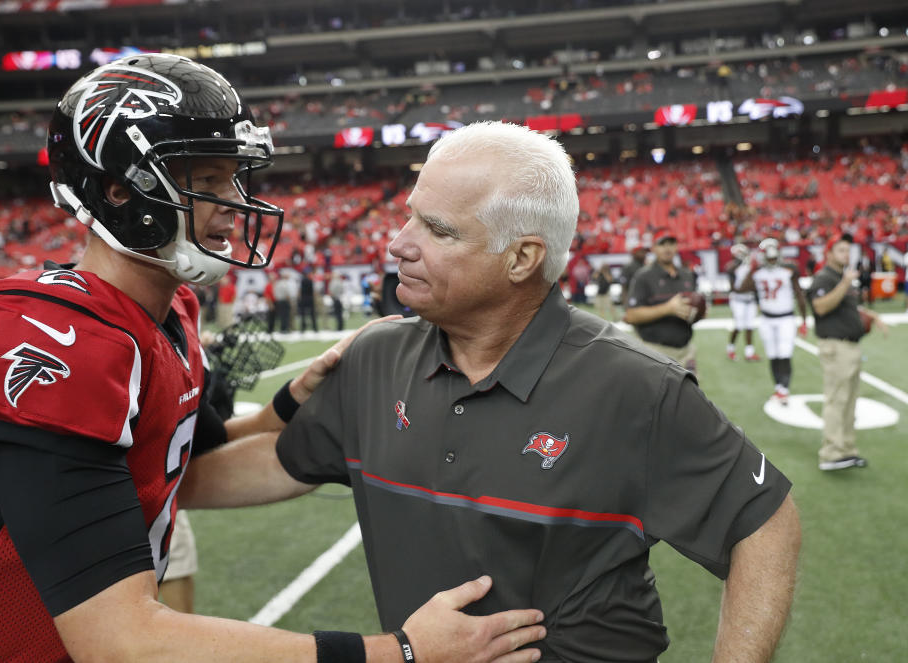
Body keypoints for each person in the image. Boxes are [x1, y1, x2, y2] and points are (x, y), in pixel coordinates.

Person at [0, 55, 545, 663]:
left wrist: (301, 403)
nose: (233, 204)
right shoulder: (50, 340)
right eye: (205, 183)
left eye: (233, 179)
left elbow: (186, 465)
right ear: (119, 191)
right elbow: (122, 640)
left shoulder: (168, 313)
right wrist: (402, 653)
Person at [185, 122, 801, 662]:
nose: (399, 242)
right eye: (408, 214)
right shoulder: (375, 357)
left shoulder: (634, 387)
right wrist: (139, 494)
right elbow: (279, 462)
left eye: (437, 229)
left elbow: (765, 522)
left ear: (521, 258)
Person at [808, 232, 888, 471]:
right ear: (829, 253)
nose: (846, 254)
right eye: (841, 250)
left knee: (850, 402)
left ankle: (846, 450)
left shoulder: (841, 277)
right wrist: (844, 284)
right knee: (837, 400)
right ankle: (831, 453)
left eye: (847, 250)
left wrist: (871, 315)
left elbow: (849, 308)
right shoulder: (824, 278)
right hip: (836, 347)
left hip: (850, 346)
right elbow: (820, 307)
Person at [740, 238, 808, 404]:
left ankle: (784, 389)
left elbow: (799, 294)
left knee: (784, 354)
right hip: (766, 319)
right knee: (773, 355)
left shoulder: (789, 269)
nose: (771, 260)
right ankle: (779, 386)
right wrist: (752, 268)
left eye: (773, 257)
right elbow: (742, 288)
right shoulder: (757, 272)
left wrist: (804, 319)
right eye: (768, 257)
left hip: (786, 318)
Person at [623, 230, 701, 374]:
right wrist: (668, 308)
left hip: (686, 350)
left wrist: (698, 313)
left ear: (677, 246)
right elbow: (631, 315)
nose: (667, 248)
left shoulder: (687, 275)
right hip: (655, 351)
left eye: (671, 243)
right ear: (654, 248)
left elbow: (692, 310)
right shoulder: (643, 276)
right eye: (662, 244)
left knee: (689, 396)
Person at [724, 243, 760, 361]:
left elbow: (755, 285)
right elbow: (734, 288)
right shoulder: (732, 267)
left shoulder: (751, 267)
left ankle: (749, 353)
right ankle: (730, 349)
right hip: (738, 300)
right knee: (739, 326)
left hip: (750, 299)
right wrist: (746, 286)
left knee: (750, 326)